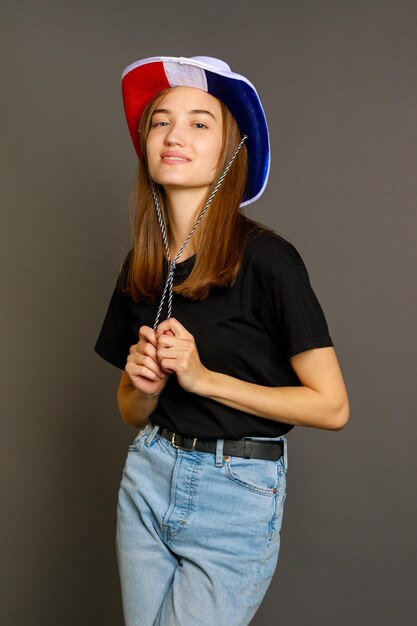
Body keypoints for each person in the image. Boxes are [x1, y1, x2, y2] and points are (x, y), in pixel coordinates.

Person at [94, 55, 350, 626]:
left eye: (199, 123)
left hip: (236, 492)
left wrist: (204, 379)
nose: (174, 135)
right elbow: (130, 411)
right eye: (161, 121)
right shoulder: (142, 265)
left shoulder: (268, 261)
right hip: (149, 476)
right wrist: (144, 383)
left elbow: (332, 406)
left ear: (232, 150)